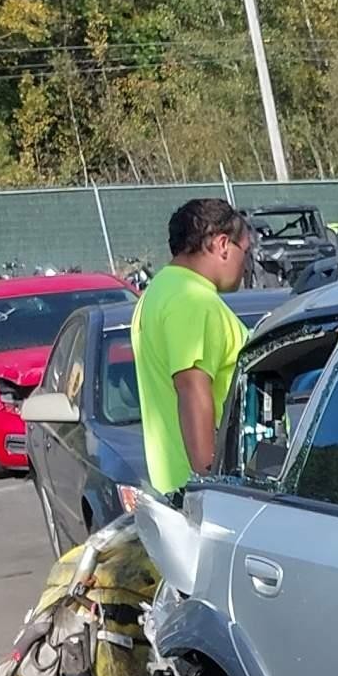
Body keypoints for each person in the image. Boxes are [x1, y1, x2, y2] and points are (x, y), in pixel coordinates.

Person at [131, 198, 252, 494]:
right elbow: (192, 388)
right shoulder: (193, 300)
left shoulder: (158, 292)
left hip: (179, 489)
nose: (246, 263)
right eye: (245, 251)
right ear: (223, 244)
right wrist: (212, 488)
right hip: (217, 497)